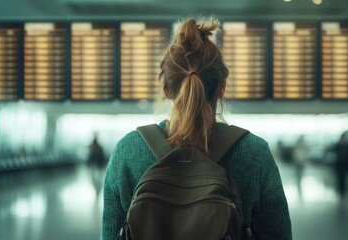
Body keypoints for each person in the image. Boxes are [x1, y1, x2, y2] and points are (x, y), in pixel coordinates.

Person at [100, 17, 292, 240]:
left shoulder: (127, 151)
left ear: (165, 88)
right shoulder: (254, 153)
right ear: (222, 87)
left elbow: (110, 235)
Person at [292, 135, 309, 199]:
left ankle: (299, 180)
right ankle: (299, 180)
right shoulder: (299, 146)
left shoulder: (301, 145)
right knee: (299, 173)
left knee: (299, 173)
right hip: (299, 162)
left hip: (300, 162)